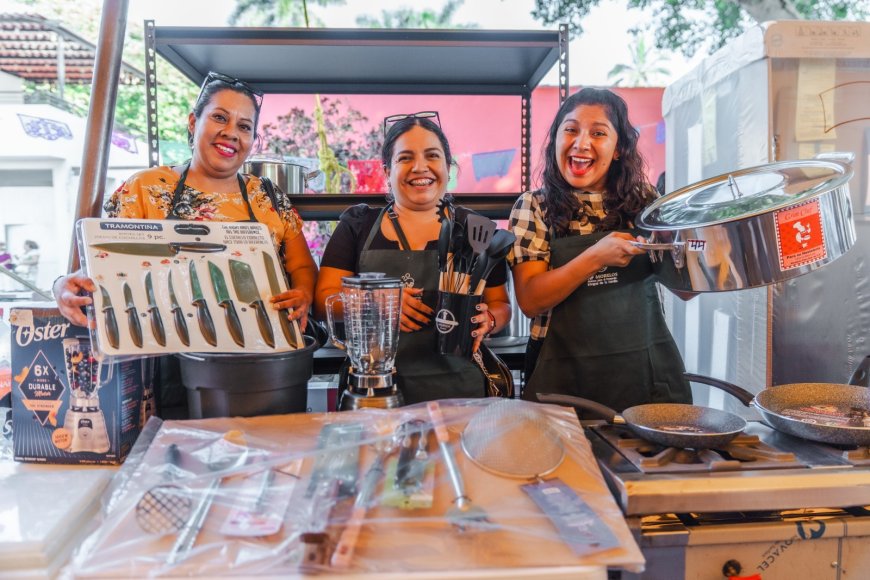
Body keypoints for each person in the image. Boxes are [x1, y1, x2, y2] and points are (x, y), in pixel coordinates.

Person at [54, 71, 317, 332]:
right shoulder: (144, 188)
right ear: (193, 122)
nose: (231, 133)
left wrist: (303, 293)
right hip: (162, 346)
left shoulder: (269, 197)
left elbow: (302, 266)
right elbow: (104, 266)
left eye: (244, 126)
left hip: (257, 348)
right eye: (219, 117)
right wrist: (62, 285)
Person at [509, 88, 692, 411]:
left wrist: (709, 245)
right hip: (563, 383)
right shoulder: (535, 206)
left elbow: (686, 290)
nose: (581, 143)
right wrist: (596, 256)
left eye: (598, 133)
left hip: (644, 380)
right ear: (555, 139)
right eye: (570, 130)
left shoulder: (645, 203)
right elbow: (530, 299)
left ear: (619, 147)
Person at [314, 113, 511, 404]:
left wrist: (491, 319)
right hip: (375, 389)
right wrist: (375, 303)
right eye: (405, 158)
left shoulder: (474, 229)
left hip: (461, 391)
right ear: (386, 170)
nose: (420, 167)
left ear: (448, 165)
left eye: (432, 156)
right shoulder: (358, 225)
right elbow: (322, 301)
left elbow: (501, 305)